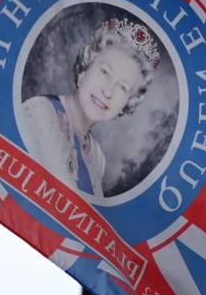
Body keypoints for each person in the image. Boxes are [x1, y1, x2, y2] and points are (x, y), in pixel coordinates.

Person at [19, 16, 161, 200]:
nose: (108, 91)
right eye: (105, 72)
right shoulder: (41, 113)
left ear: (126, 105)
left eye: (123, 87)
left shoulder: (96, 156)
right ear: (84, 71)